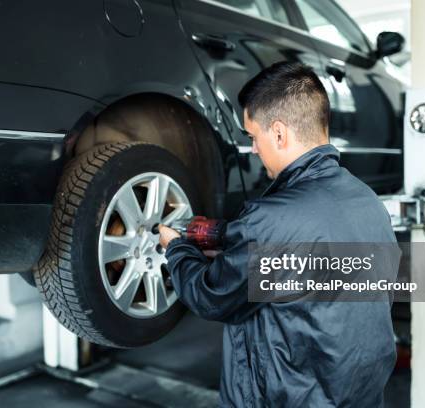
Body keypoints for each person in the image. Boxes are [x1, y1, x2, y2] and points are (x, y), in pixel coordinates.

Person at [158, 62, 398, 407]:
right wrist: (233, 239)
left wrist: (177, 249)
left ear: (280, 133)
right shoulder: (368, 203)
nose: (253, 149)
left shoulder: (269, 218)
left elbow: (210, 297)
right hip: (360, 392)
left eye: (254, 137)